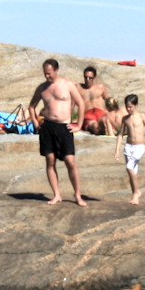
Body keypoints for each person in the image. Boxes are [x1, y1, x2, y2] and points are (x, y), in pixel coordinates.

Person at [26, 59, 86, 206]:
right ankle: (57, 194)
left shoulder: (67, 84)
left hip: (64, 127)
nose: (47, 76)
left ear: (56, 70)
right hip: (47, 127)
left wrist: (78, 125)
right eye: (45, 73)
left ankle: (77, 195)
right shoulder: (42, 88)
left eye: (49, 73)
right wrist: (35, 122)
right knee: (50, 160)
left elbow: (81, 103)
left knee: (70, 161)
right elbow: (32, 106)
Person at [114, 93, 145, 205]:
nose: (128, 109)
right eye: (126, 107)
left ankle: (137, 192)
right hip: (128, 147)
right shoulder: (125, 119)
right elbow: (120, 134)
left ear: (136, 105)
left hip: (139, 147)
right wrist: (117, 149)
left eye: (130, 106)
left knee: (129, 168)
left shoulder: (142, 117)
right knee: (132, 172)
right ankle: (135, 196)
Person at [76, 66, 113, 135]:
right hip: (88, 114)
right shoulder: (78, 87)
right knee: (94, 126)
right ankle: (100, 130)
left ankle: (106, 128)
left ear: (94, 78)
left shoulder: (100, 87)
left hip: (100, 112)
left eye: (90, 78)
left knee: (105, 122)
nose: (87, 79)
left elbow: (108, 101)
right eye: (86, 77)